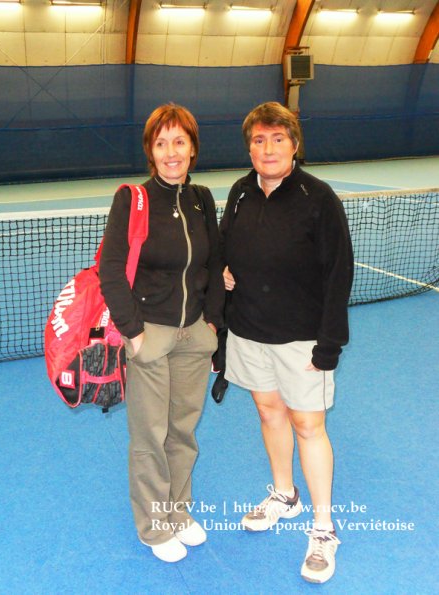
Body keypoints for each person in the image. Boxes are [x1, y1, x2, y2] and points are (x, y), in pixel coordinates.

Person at [219, 102, 353, 584]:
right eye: (259, 140)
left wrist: (329, 343)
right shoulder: (239, 192)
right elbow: (223, 246)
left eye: (278, 139)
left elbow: (339, 273)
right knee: (269, 413)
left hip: (303, 339)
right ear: (249, 148)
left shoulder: (319, 198)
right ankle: (283, 494)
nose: (268, 148)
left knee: (308, 426)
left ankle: (323, 528)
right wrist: (223, 272)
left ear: (294, 145)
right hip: (249, 331)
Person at [99, 104, 224, 563]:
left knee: (182, 432)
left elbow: (214, 264)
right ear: (151, 152)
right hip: (150, 334)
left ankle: (177, 512)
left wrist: (212, 323)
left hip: (195, 336)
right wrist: (134, 333)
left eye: (179, 142)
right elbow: (110, 269)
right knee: (150, 436)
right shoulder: (131, 199)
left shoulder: (202, 199)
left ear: (192, 148)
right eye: (161, 143)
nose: (171, 152)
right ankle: (154, 527)